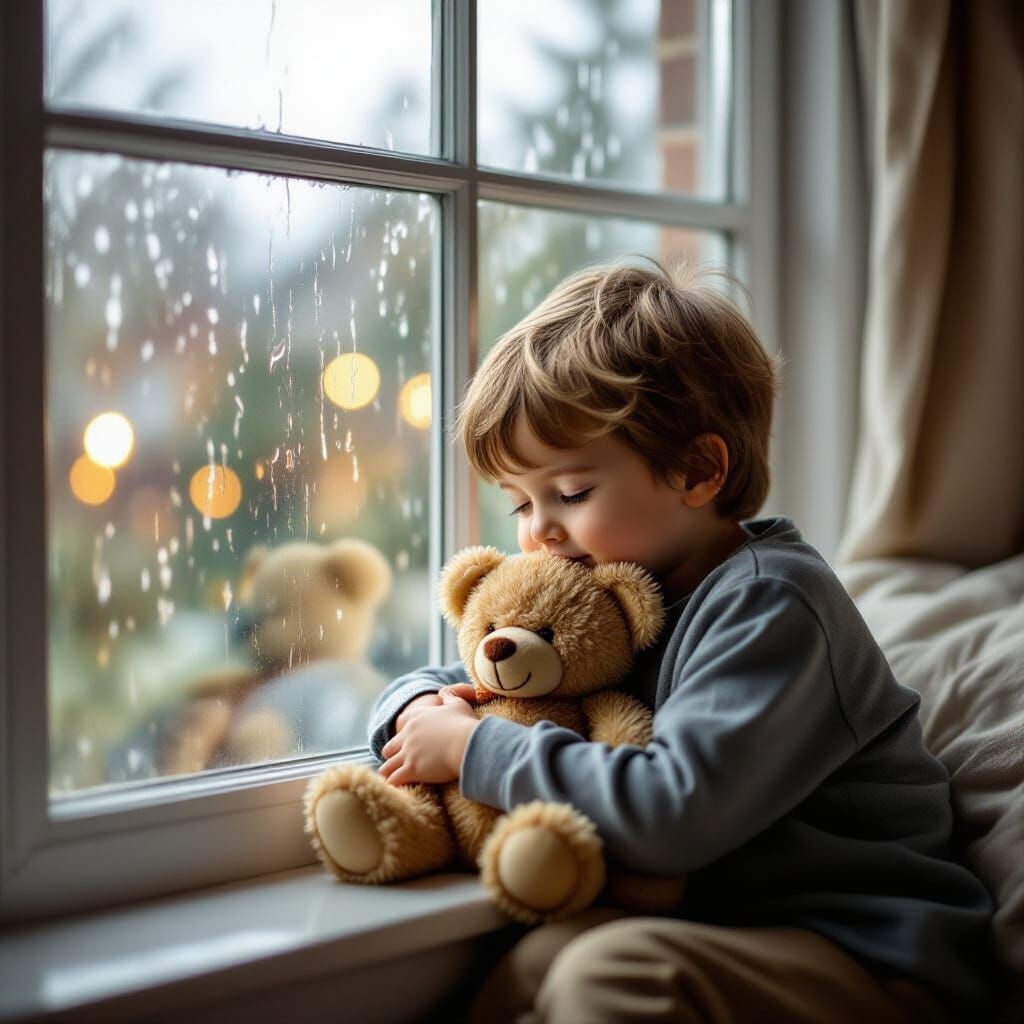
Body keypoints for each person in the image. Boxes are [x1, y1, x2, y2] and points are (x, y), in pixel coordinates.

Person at [367, 262, 995, 1022]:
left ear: (698, 470)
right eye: (520, 506)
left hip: (871, 954)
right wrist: (419, 708)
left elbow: (674, 813)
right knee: (532, 965)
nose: (539, 532)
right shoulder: (619, 591)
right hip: (733, 923)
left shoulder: (770, 604)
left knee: (612, 975)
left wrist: (474, 752)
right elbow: (486, 672)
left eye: (570, 494)